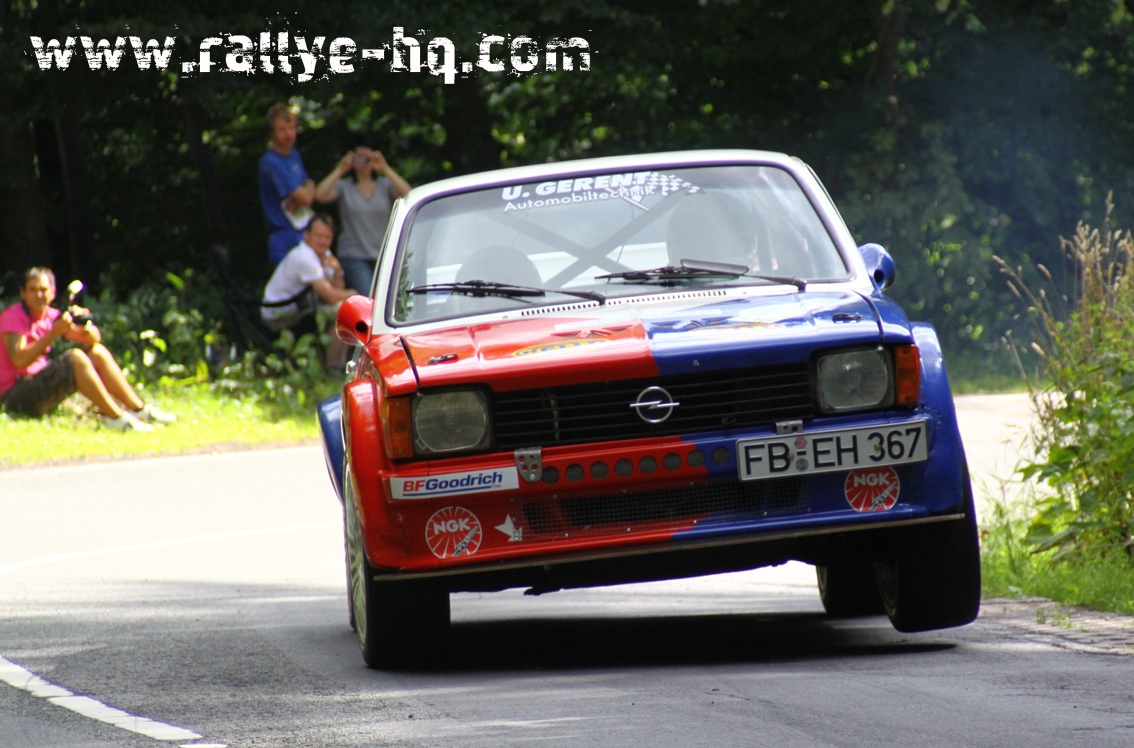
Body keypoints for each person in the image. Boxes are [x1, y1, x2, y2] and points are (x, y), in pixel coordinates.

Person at [0, 267, 176, 431]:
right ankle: (116, 418)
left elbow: (93, 339)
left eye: (44, 290)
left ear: (52, 293)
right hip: (13, 396)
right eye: (32, 290)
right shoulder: (13, 317)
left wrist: (84, 323)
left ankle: (139, 409)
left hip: (36, 385)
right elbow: (19, 359)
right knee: (75, 358)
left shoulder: (50, 315)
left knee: (97, 352)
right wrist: (53, 333)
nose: (39, 294)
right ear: (23, 293)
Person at [314, 137, 411, 294]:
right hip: (354, 255)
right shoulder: (345, 186)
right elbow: (320, 195)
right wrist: (340, 169)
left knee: (388, 299)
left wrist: (385, 168)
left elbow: (409, 194)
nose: (364, 163)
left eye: (368, 158)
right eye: (360, 158)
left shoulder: (384, 185)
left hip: (383, 254)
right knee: (368, 299)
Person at [261, 214, 358, 369]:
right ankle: (332, 367)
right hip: (279, 313)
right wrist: (353, 294)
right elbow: (331, 296)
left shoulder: (324, 254)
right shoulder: (304, 256)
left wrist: (338, 271)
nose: (323, 241)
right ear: (307, 235)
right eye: (319, 236)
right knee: (344, 310)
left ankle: (338, 364)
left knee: (344, 310)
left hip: (300, 306)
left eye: (327, 238)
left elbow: (337, 290)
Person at [259, 103, 316, 267]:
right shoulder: (271, 163)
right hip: (283, 234)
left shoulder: (294, 155)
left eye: (291, 128)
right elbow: (306, 197)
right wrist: (305, 193)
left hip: (302, 230)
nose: (288, 134)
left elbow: (310, 187)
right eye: (282, 129)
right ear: (272, 133)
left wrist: (306, 191)